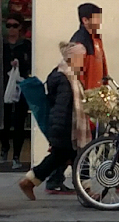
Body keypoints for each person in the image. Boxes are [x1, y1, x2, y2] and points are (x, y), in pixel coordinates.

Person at [17, 41, 91, 201]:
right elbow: (61, 108)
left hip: (67, 127)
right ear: (72, 58)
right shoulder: (65, 80)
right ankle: (87, 192)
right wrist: (57, 133)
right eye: (81, 57)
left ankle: (29, 181)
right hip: (65, 128)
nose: (83, 61)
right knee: (79, 155)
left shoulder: (69, 76)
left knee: (65, 158)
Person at [54, 3, 107, 193]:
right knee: (88, 141)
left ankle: (56, 178)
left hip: (96, 97)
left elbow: (101, 69)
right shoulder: (80, 43)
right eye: (96, 17)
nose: (99, 21)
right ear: (85, 20)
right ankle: (108, 176)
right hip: (88, 99)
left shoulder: (95, 40)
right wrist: (85, 96)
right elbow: (78, 73)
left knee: (88, 140)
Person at [0, 13, 32, 169]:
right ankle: (4, 147)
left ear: (20, 27)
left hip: (21, 86)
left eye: (15, 26)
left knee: (19, 122)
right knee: (3, 120)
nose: (11, 29)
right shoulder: (1, 46)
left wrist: (20, 65)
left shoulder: (26, 45)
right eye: (8, 25)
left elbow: (31, 64)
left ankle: (16, 155)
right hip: (4, 85)